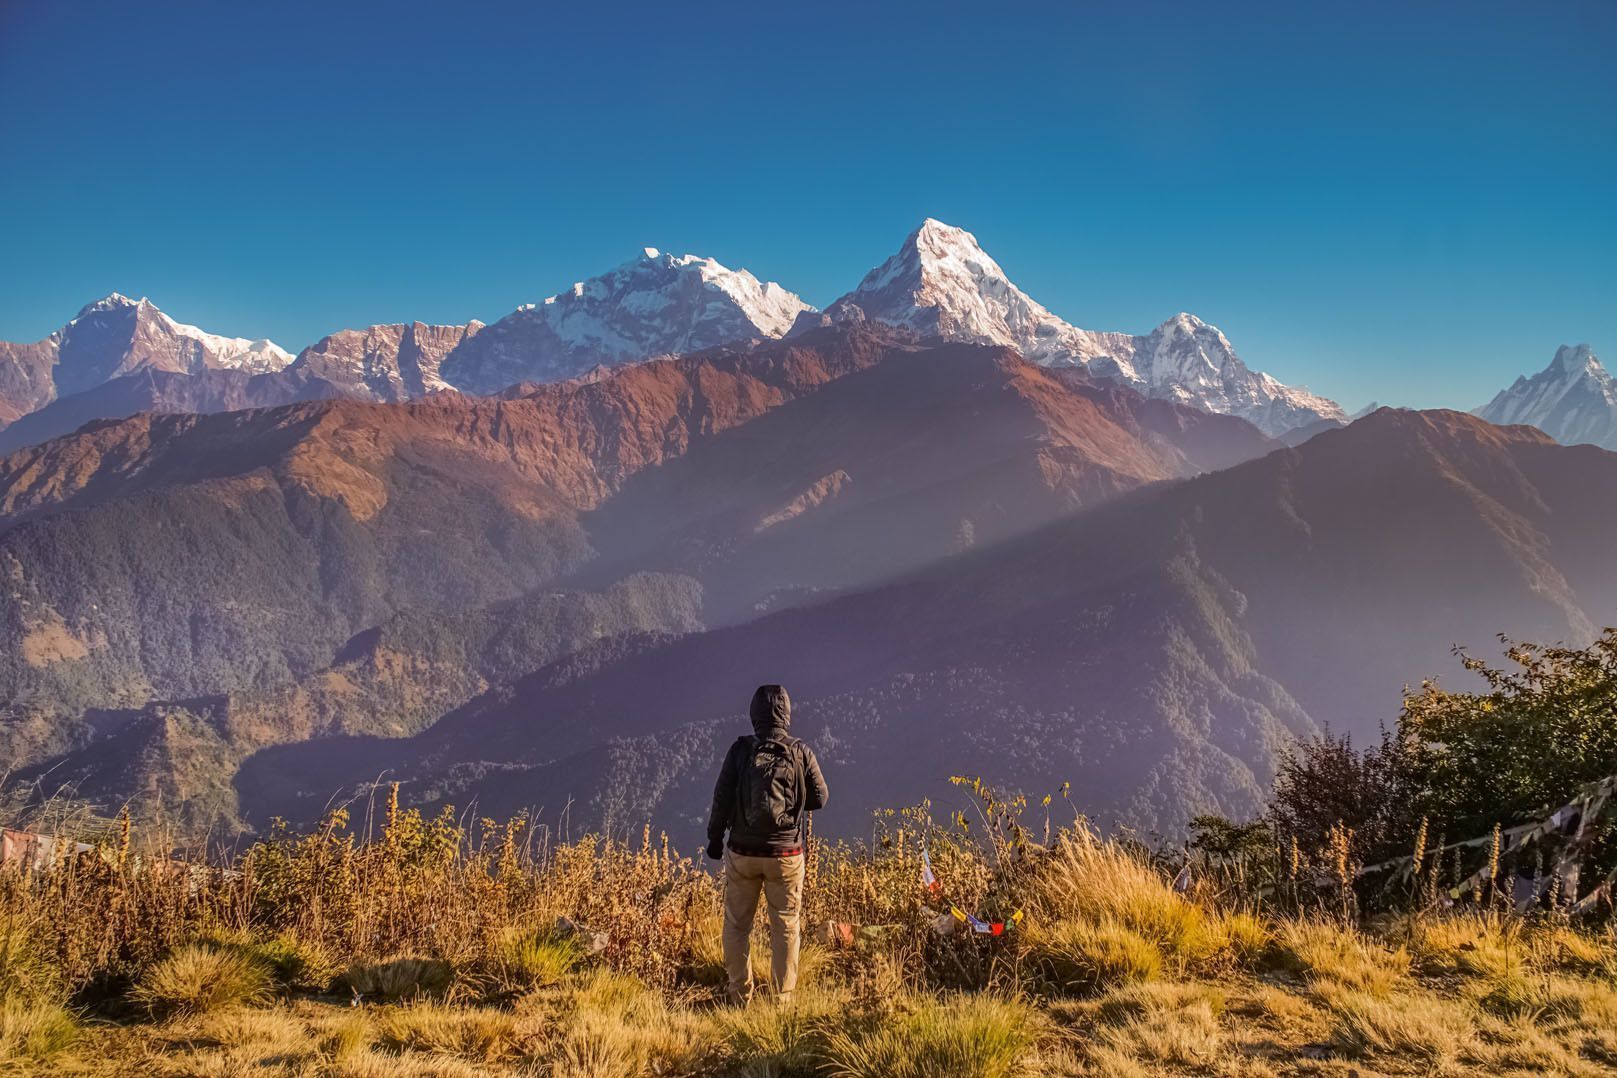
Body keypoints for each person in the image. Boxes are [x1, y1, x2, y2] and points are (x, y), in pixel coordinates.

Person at [705, 684, 829, 1005]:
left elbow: (721, 799)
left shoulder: (740, 751)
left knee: (736, 925)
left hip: (743, 852)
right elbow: (820, 798)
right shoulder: (800, 751)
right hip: (785, 854)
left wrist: (715, 840)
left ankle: (738, 996)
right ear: (786, 714)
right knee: (786, 926)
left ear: (753, 716)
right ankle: (781, 1002)